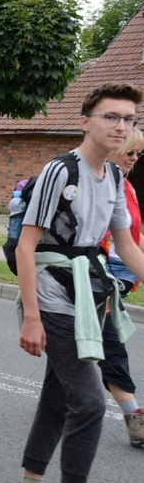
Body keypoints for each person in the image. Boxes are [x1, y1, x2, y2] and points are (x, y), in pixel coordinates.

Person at [14, 83, 144, 483]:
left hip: (91, 294)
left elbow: (125, 245)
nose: (121, 126)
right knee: (88, 403)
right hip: (54, 295)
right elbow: (26, 245)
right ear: (85, 122)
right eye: (111, 116)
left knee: (58, 397)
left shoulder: (117, 175)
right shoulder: (61, 170)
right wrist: (31, 318)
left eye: (129, 119)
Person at [97, 128, 144, 449]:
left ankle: (60, 401)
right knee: (110, 344)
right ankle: (134, 418)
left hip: (119, 279)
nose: (134, 158)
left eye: (138, 153)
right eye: (131, 151)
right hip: (96, 280)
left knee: (79, 350)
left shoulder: (125, 186)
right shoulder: (97, 186)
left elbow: (132, 238)